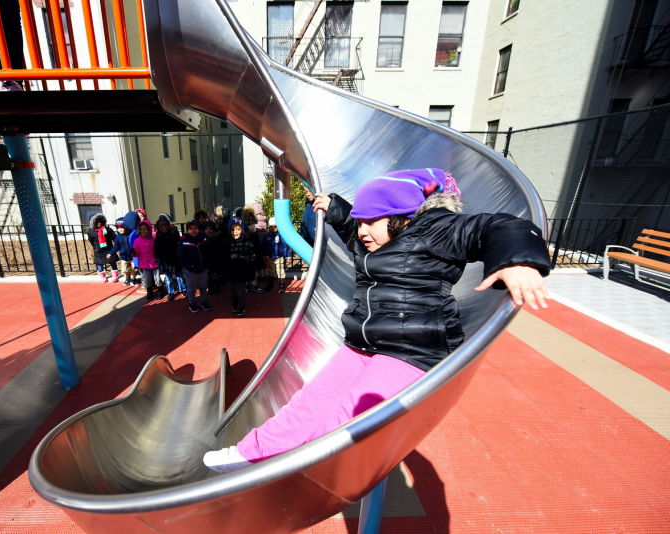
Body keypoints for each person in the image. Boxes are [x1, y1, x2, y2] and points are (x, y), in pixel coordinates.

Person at [203, 168, 551, 472]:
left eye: (371, 221)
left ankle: (302, 469)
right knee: (309, 402)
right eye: (360, 221)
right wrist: (335, 207)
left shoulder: (436, 230)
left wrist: (518, 260)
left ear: (402, 218)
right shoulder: (371, 239)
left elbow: (499, 227)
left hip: (411, 349)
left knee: (348, 415)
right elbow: (351, 228)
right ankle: (254, 452)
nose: (363, 231)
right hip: (363, 342)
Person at [222, 217, 256, 317]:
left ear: (242, 230)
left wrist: (250, 272)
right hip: (230, 271)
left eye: (238, 229)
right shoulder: (226, 243)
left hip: (242, 271)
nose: (235, 232)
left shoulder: (247, 242)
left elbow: (251, 258)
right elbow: (222, 258)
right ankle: (235, 304)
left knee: (240, 291)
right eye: (232, 229)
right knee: (232, 291)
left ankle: (241, 306)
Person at [178, 220, 212, 313]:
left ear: (199, 229)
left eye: (195, 228)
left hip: (203, 269)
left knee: (203, 287)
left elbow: (209, 252)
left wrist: (207, 264)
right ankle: (192, 303)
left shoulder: (203, 239)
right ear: (187, 230)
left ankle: (204, 302)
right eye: (190, 229)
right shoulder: (183, 240)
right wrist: (189, 266)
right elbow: (181, 257)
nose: (193, 230)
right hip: (191, 271)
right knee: (191, 288)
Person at [154, 213, 185, 300]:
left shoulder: (174, 234)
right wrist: (160, 265)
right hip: (165, 262)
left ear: (168, 225)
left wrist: (180, 258)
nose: (163, 227)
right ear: (158, 228)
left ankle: (183, 289)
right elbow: (157, 253)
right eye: (161, 226)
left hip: (175, 259)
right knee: (168, 278)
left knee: (179, 276)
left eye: (165, 225)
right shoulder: (158, 238)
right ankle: (170, 292)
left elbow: (179, 246)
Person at [132, 220, 160, 300]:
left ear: (149, 230)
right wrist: (133, 252)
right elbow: (136, 254)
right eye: (141, 229)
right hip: (144, 264)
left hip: (154, 263)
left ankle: (160, 289)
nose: (143, 231)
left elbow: (157, 250)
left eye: (145, 229)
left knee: (157, 279)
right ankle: (149, 291)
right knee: (147, 280)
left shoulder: (153, 240)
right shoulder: (137, 241)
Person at [263, 217, 292, 293]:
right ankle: (270, 284)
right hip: (270, 256)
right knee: (270, 271)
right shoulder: (267, 236)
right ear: (268, 227)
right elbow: (264, 245)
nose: (273, 228)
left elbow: (285, 246)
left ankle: (282, 284)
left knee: (280, 270)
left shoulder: (281, 235)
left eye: (275, 226)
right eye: (271, 227)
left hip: (279, 256)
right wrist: (264, 254)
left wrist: (287, 256)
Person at [87, 213, 118, 282]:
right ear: (94, 223)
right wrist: (95, 247)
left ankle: (115, 276)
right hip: (98, 250)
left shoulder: (108, 229)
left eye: (100, 221)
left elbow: (114, 238)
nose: (99, 223)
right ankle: (102, 276)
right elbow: (91, 241)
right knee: (99, 264)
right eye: (97, 222)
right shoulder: (91, 232)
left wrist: (116, 246)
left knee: (112, 262)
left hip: (109, 249)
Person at [241, 206, 265, 293]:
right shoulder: (243, 228)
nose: (250, 221)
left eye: (251, 220)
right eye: (249, 220)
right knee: (246, 270)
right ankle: (246, 286)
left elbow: (256, 241)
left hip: (253, 251)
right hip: (246, 252)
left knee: (254, 270)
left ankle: (253, 285)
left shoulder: (253, 228)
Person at [109, 218, 136, 286]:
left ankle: (134, 278)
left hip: (132, 255)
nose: (120, 229)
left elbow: (135, 244)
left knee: (134, 268)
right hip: (123, 256)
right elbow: (116, 246)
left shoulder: (130, 235)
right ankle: (127, 278)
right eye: (118, 228)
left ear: (126, 227)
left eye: (122, 227)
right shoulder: (118, 237)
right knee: (124, 269)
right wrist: (111, 253)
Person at [203, 222, 224, 294]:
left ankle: (216, 287)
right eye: (206, 229)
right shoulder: (203, 239)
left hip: (216, 261)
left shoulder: (217, 238)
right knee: (208, 276)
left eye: (210, 229)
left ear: (213, 230)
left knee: (215, 275)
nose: (208, 230)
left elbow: (220, 250)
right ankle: (210, 287)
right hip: (207, 261)